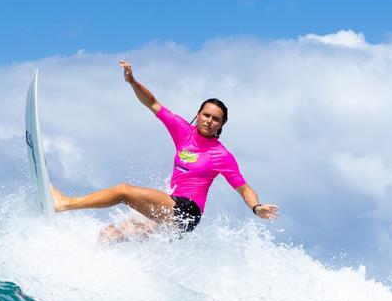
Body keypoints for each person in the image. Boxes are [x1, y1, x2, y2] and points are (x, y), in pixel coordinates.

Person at [51, 60, 279, 241]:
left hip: (187, 212)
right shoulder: (183, 131)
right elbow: (152, 103)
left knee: (123, 191)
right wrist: (132, 81)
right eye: (206, 115)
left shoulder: (221, 154)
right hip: (170, 209)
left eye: (216, 119)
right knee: (111, 234)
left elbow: (244, 188)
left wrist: (256, 207)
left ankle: (66, 203)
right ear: (198, 114)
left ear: (221, 125)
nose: (209, 121)